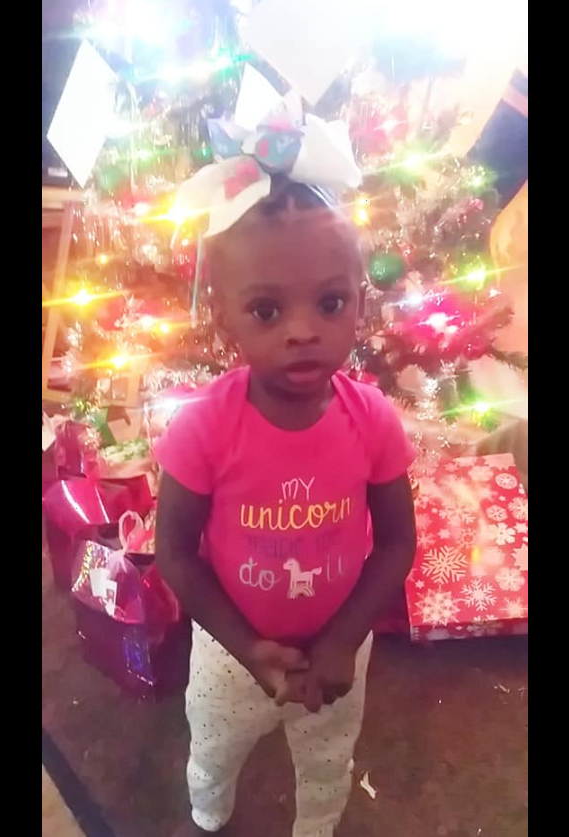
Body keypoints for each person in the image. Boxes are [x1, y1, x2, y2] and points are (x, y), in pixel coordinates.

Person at [155, 168, 417, 836]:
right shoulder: (203, 428)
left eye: (329, 304)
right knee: (214, 742)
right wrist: (246, 647)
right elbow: (176, 554)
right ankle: (207, 810)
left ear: (360, 303)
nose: (302, 330)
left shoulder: (374, 420)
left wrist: (342, 640)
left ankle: (317, 825)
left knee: (328, 757)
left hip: (340, 644)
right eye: (268, 310)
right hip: (230, 647)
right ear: (223, 315)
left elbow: (395, 541)